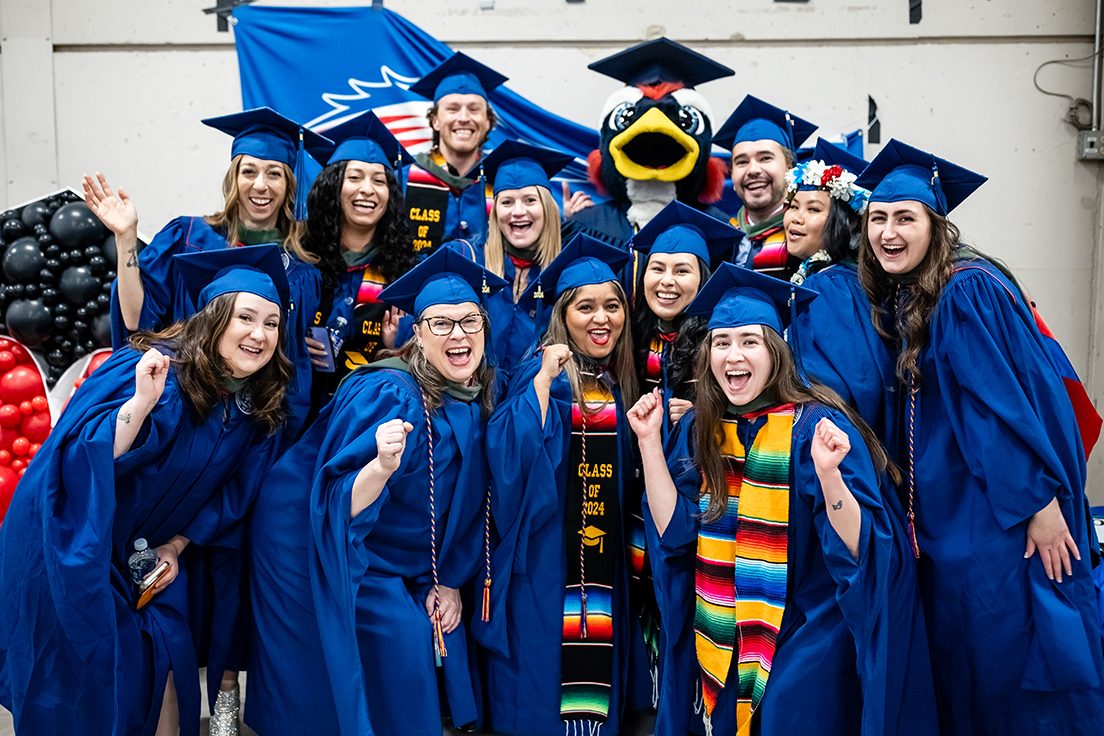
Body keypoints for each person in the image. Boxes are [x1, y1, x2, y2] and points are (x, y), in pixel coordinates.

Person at [854, 139, 1104, 734]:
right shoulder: (918, 293)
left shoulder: (963, 291)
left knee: (1015, 657)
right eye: (878, 219)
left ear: (936, 225)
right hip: (965, 516)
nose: (888, 232)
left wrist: (1039, 506)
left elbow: (999, 411)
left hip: (999, 518)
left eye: (905, 218)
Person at [627, 263, 937, 736]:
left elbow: (861, 549)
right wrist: (649, 443)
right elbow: (674, 536)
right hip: (721, 624)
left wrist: (831, 475)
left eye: (750, 341)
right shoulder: (700, 429)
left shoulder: (813, 426)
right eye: (723, 343)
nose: (735, 355)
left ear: (777, 351)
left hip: (805, 628)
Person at [0, 248, 292, 736]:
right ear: (214, 317)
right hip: (79, 546)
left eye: (272, 322)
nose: (259, 334)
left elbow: (233, 495)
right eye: (245, 317)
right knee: (93, 686)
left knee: (168, 666)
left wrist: (176, 547)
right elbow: (80, 456)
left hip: (149, 558)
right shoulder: (148, 367)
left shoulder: (253, 408)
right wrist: (140, 403)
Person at [246, 246, 508, 736]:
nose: (459, 335)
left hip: (387, 552)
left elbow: (467, 504)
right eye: (441, 324)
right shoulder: (390, 393)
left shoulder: (477, 392)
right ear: (417, 334)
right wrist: (383, 467)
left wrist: (446, 579)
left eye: (470, 321)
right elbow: (337, 497)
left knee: (396, 660)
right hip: (313, 539)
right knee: (341, 673)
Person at [474, 234, 654, 736]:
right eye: (586, 307)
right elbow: (505, 461)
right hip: (544, 570)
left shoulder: (610, 379)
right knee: (542, 693)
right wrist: (536, 390)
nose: (602, 319)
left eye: (613, 306)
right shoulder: (545, 373)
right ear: (561, 314)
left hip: (597, 567)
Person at [83, 106, 331, 437]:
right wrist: (126, 238)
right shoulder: (188, 237)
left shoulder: (301, 271)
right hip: (181, 410)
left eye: (274, 173)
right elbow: (136, 321)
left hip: (250, 430)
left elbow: (294, 372)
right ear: (233, 178)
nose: (261, 185)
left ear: (289, 184)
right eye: (249, 172)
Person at [302, 110, 419, 407]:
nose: (367, 189)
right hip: (302, 415)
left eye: (379, 180)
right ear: (333, 186)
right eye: (354, 177)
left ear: (390, 194)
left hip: (373, 415)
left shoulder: (408, 272)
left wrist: (397, 349)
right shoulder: (303, 259)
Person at [629, 200, 741, 439]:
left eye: (681, 271)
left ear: (702, 281)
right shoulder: (633, 335)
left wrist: (704, 415)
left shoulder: (718, 345)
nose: (667, 281)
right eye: (657, 269)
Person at [477, 139, 574, 369]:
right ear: (495, 211)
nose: (518, 212)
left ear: (548, 209)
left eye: (530, 200)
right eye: (507, 202)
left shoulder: (566, 275)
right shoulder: (470, 260)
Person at [404, 52, 507, 256]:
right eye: (452, 109)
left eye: (474, 109)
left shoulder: (503, 181)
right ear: (435, 121)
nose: (463, 118)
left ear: (487, 122)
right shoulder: (403, 180)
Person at [712, 96, 817, 276]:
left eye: (765, 158)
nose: (753, 170)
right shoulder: (720, 239)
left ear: (790, 168)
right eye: (742, 162)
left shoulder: (813, 240)